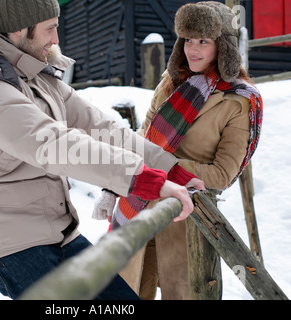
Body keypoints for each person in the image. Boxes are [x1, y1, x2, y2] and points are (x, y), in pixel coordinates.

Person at [0, 0, 203, 300]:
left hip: (57, 230)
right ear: (18, 30)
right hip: (11, 243)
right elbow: (52, 144)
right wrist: (140, 178)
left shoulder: (34, 72)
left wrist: (167, 168)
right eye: (50, 29)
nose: (56, 39)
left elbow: (98, 126)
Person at [94, 1, 263, 299]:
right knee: (126, 293)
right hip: (138, 206)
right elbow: (140, 140)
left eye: (203, 41)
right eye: (187, 39)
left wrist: (163, 169)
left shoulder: (239, 101)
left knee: (184, 293)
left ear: (223, 46)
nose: (192, 49)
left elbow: (222, 174)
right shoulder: (170, 84)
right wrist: (113, 185)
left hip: (186, 219)